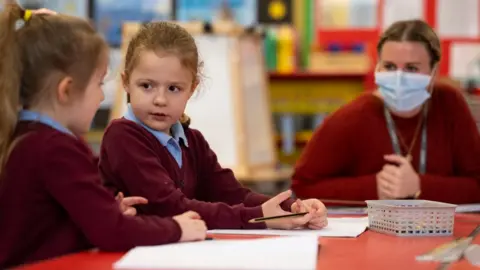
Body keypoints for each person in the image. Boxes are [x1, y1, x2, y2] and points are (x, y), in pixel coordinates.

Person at [0, 5, 206, 269]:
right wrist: (176, 228)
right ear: (66, 90)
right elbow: (111, 232)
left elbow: (54, 225)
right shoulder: (56, 149)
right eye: (98, 84)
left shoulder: (27, 137)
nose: (100, 97)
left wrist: (107, 211)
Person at [99, 22, 328, 230]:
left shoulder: (192, 141)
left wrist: (291, 207)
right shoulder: (123, 136)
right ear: (126, 82)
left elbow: (232, 193)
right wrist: (259, 216)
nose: (160, 99)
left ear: (192, 88)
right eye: (147, 86)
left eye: (173, 88)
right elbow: (169, 207)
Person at [291, 19, 480, 204]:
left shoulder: (449, 104)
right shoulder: (352, 117)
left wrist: (419, 186)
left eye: (412, 68)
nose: (398, 78)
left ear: (434, 72)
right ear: (377, 67)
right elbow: (302, 187)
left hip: (444, 231)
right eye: (389, 67)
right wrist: (374, 188)